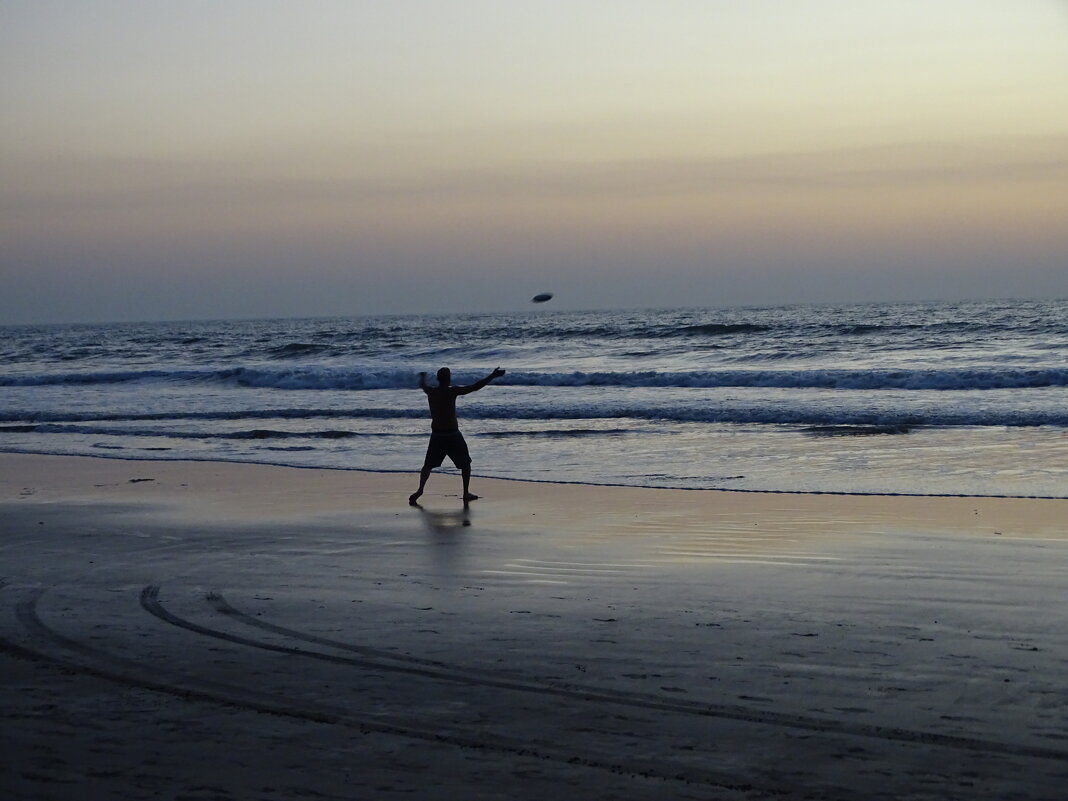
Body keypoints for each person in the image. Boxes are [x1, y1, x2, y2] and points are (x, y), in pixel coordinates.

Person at [409, 366, 505, 507]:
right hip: (452, 435)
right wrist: (492, 375)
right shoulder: (451, 391)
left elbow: (423, 385)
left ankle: (420, 489)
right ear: (448, 379)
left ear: (438, 379)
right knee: (465, 464)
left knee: (428, 465)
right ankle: (466, 492)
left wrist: (422, 377)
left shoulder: (431, 392)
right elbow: (474, 387)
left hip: (437, 436)